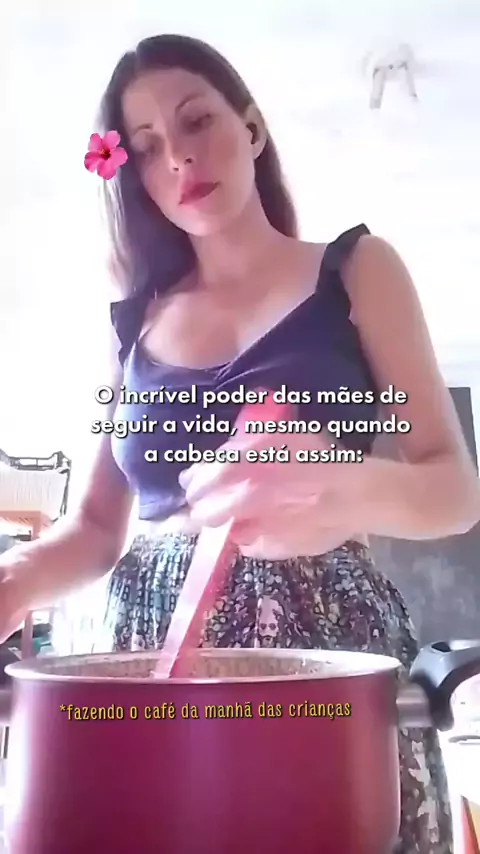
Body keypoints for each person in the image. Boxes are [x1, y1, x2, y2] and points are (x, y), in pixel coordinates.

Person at [1, 33, 479, 853]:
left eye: (197, 121)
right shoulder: (130, 325)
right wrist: (12, 581)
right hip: (147, 650)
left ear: (252, 128)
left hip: (327, 645)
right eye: (146, 147)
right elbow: (96, 530)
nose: (179, 158)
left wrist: (342, 484)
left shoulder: (358, 270)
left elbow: (454, 489)